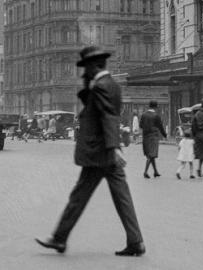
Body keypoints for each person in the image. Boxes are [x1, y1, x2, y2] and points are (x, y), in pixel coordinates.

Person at [35, 46, 145, 256]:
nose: (84, 72)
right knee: (123, 198)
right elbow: (98, 109)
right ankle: (136, 241)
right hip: (106, 152)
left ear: (95, 66)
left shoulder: (101, 87)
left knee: (79, 197)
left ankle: (59, 238)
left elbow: (108, 117)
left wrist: (113, 148)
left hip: (99, 153)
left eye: (86, 68)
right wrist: (88, 85)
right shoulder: (110, 85)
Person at [139, 100, 167, 179]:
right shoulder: (156, 116)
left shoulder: (144, 115)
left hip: (145, 136)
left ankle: (155, 172)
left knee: (151, 154)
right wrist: (165, 135)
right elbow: (160, 126)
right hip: (153, 137)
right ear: (155, 107)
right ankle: (145, 172)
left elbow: (140, 125)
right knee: (151, 155)